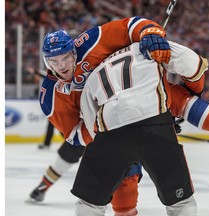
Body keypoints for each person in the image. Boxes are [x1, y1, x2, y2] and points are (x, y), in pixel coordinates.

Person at [73, 41, 209, 215]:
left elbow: (93, 124)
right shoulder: (148, 44)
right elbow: (191, 74)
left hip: (111, 131)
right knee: (181, 203)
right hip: (154, 126)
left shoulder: (94, 71)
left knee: (90, 203)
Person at [28, 16, 171, 216]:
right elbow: (74, 136)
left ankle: (126, 208)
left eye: (66, 57)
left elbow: (130, 26)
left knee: (129, 169)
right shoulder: (50, 95)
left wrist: (149, 33)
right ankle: (43, 186)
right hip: (92, 131)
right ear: (47, 61)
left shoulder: (91, 42)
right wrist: (103, 127)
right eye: (54, 61)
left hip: (124, 113)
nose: (61, 66)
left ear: (74, 51)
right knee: (71, 153)